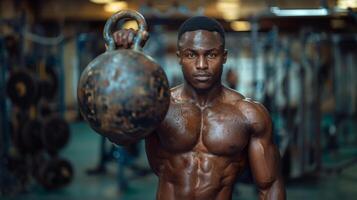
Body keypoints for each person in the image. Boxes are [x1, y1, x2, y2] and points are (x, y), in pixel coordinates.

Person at [112, 16, 286, 200]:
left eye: (211, 55)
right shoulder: (159, 106)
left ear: (224, 57)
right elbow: (119, 137)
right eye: (191, 55)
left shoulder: (249, 115)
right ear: (180, 58)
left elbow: (270, 186)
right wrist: (122, 60)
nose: (201, 65)